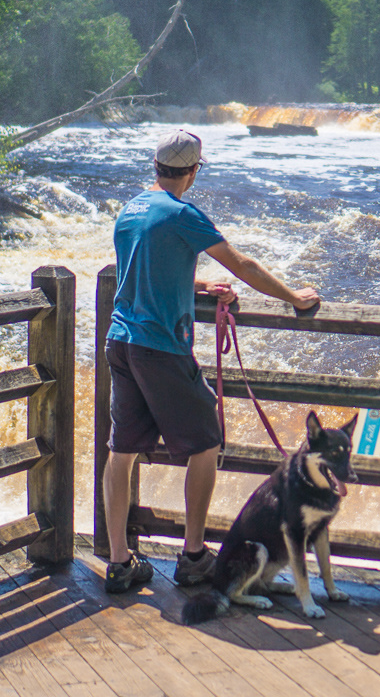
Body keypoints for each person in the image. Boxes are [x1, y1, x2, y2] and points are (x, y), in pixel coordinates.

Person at [102, 128, 320, 593]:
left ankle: (120, 562)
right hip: (160, 345)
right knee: (206, 442)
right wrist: (292, 297)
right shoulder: (183, 213)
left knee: (121, 452)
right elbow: (242, 265)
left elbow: (138, 269)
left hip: (120, 341)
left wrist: (197, 287)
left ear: (156, 166)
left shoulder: (132, 208)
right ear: (194, 171)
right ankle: (194, 555)